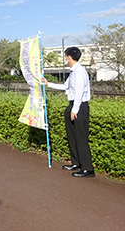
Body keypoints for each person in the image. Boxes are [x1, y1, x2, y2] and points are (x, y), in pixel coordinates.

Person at [41, 47, 94, 178]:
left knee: (81, 138)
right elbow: (66, 86)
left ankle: (87, 168)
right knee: (72, 136)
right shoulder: (73, 72)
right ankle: (76, 162)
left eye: (65, 56)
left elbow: (79, 92)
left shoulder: (80, 71)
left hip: (80, 106)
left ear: (69, 57)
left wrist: (75, 109)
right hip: (73, 105)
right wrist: (48, 84)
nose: (65, 59)